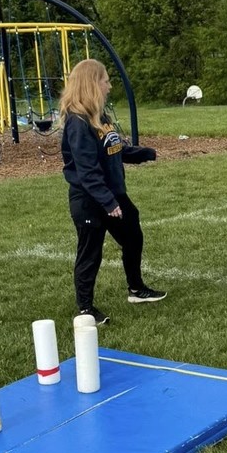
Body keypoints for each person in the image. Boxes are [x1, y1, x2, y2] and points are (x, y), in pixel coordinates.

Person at [60, 58, 165, 324]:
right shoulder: (78, 122)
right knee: (90, 252)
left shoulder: (100, 118)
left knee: (133, 236)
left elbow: (114, 149)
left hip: (113, 195)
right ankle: (86, 309)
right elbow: (87, 170)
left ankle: (136, 289)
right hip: (90, 200)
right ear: (92, 84)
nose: (109, 85)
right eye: (105, 80)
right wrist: (107, 201)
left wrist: (145, 154)